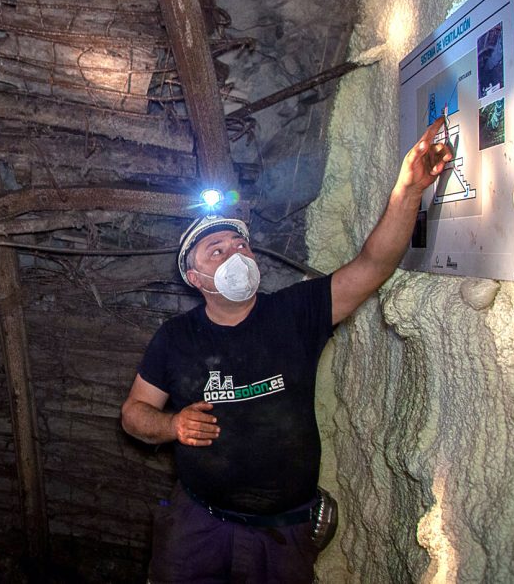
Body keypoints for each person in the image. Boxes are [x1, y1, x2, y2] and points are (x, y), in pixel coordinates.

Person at [120, 120, 452, 582]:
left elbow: (373, 265)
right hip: (197, 521)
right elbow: (134, 414)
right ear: (195, 280)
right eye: (216, 251)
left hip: (282, 530)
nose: (236, 253)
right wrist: (171, 424)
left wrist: (409, 191)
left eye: (240, 244)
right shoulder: (176, 339)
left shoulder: (297, 312)